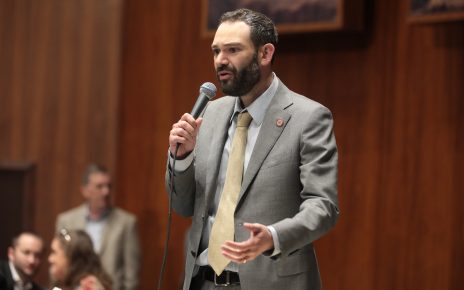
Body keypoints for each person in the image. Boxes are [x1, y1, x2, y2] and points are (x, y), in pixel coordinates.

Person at [166, 8, 339, 290]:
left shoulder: (308, 118)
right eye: (216, 51)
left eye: (233, 50)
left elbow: (324, 207)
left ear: (265, 54)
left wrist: (274, 236)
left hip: (270, 282)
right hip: (203, 281)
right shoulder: (209, 114)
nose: (221, 60)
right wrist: (182, 158)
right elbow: (182, 206)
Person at [55, 164, 140, 290]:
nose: (106, 192)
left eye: (109, 186)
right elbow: (58, 264)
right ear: (85, 190)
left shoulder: (126, 223)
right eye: (99, 186)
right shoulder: (66, 221)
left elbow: (131, 275)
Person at [49, 229, 113, 290]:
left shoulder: (90, 286)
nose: (50, 259)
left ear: (71, 257)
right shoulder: (61, 283)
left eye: (54, 252)